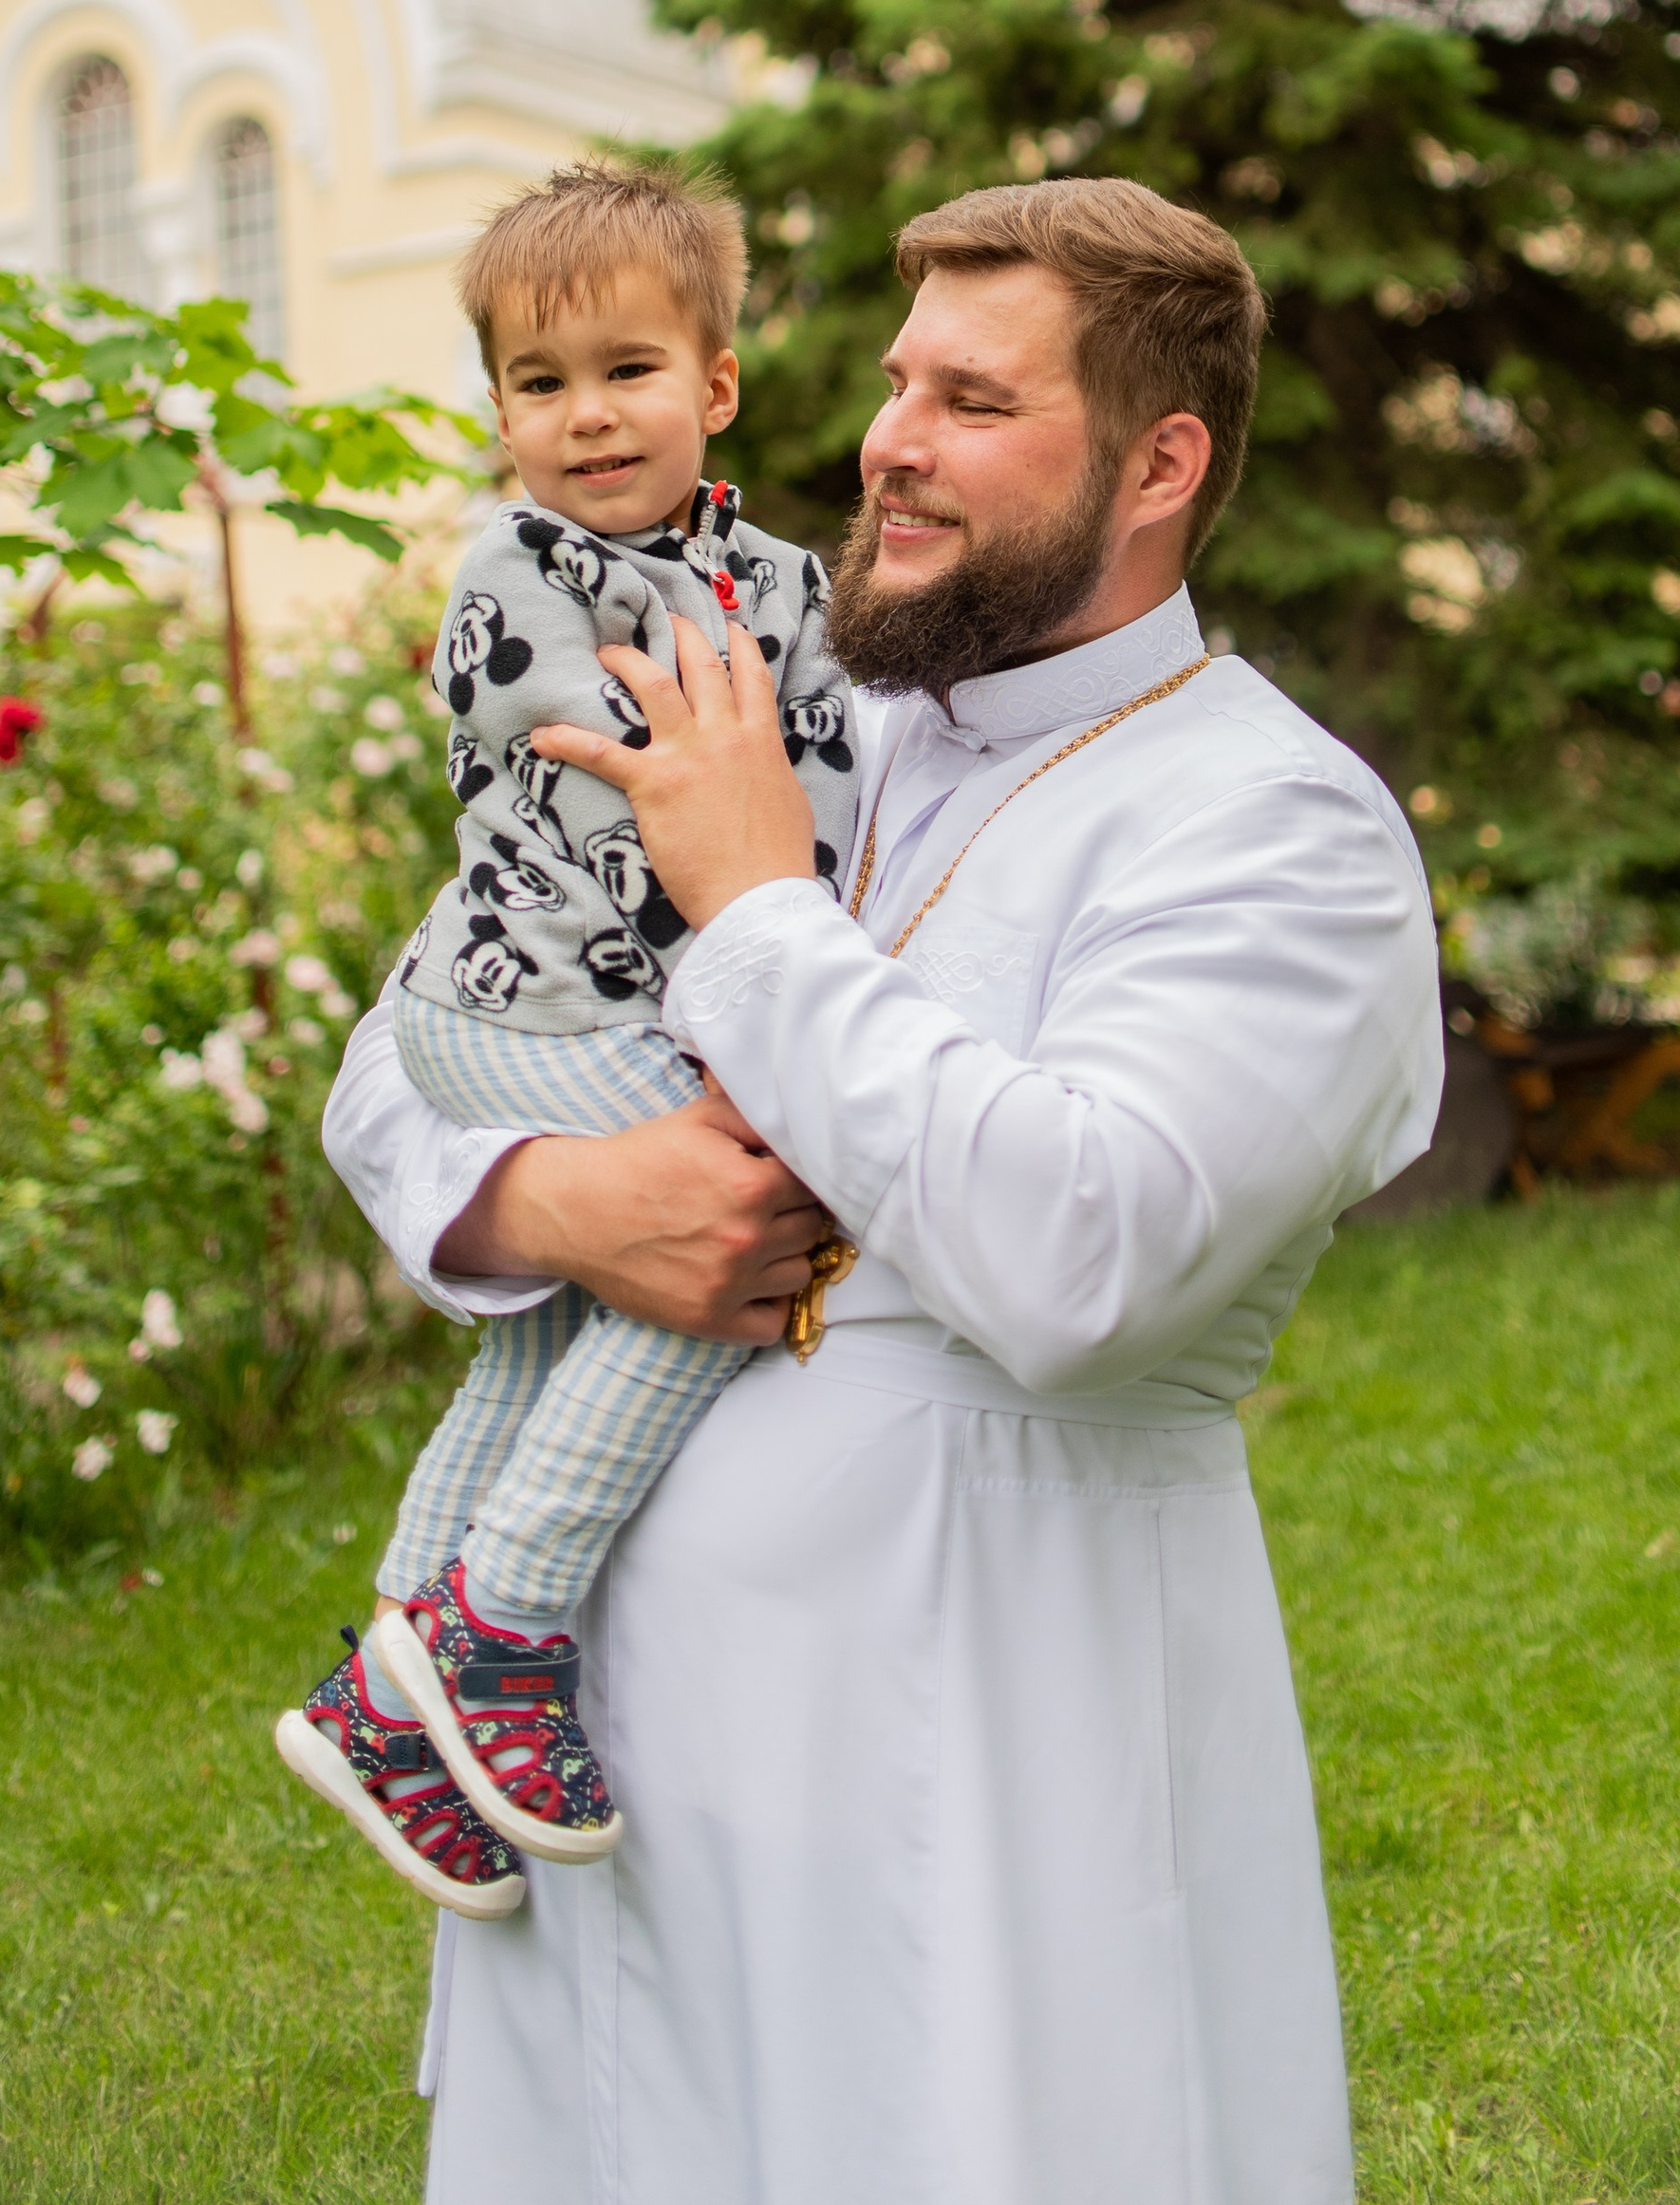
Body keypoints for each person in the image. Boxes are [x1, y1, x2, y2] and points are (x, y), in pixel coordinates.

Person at [323, 176, 1444, 2205]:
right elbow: (401, 1054)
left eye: (974, 400)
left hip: (990, 1759)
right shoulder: (761, 695)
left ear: (1156, 464)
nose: (888, 440)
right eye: (893, 378)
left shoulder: (1272, 825)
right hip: (603, 1767)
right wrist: (554, 1209)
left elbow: (1080, 1253)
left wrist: (751, 901)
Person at [278, 163, 857, 1913]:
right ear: (502, 414)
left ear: (718, 385)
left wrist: (804, 923)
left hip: (638, 1001)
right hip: (515, 1004)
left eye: (627, 370)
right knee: (740, 1216)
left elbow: (814, 778)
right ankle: (496, 1627)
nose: (587, 416)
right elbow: (632, 809)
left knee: (539, 1346)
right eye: (542, 384)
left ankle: (383, 1686)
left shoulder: (780, 575)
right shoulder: (516, 579)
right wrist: (765, 1005)